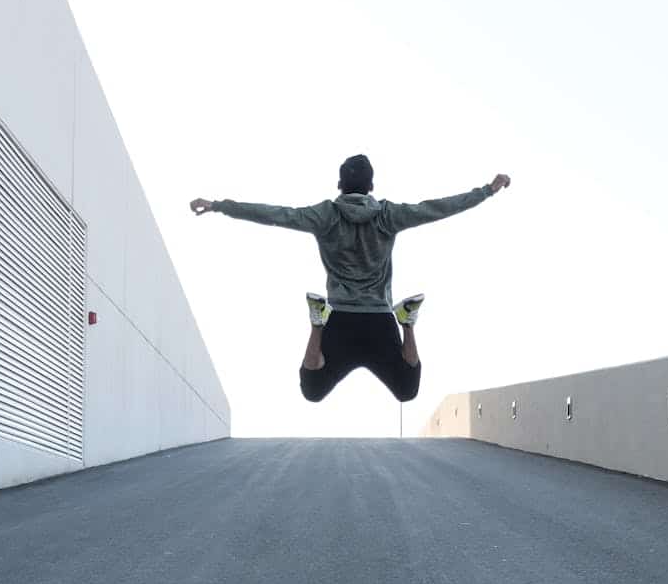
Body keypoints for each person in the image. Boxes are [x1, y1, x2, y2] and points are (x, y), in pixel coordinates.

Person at [190, 155, 510, 403]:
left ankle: (317, 323)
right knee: (407, 390)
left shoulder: (325, 214)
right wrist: (487, 191)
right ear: (372, 186)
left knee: (312, 391)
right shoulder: (388, 214)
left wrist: (219, 206)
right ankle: (407, 322)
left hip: (339, 319)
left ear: (339, 184)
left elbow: (276, 214)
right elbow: (436, 209)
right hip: (379, 321)